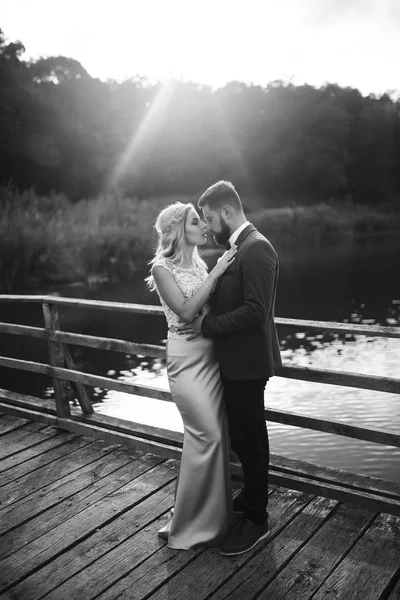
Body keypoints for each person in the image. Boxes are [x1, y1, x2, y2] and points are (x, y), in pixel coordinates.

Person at [181, 180, 282, 557]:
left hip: (249, 363)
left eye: (209, 218)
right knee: (240, 437)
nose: (207, 227)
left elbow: (257, 311)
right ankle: (250, 496)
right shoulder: (236, 248)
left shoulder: (257, 249)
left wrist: (207, 326)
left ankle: (257, 519)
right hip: (232, 362)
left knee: (251, 441)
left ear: (227, 212)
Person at [145, 201, 238, 550]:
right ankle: (193, 524)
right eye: (195, 222)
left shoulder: (198, 262)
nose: (204, 227)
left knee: (210, 438)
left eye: (202, 221)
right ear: (177, 231)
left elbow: (212, 307)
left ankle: (211, 518)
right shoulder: (161, 268)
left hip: (211, 356)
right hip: (185, 360)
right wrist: (216, 273)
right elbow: (185, 312)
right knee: (207, 434)